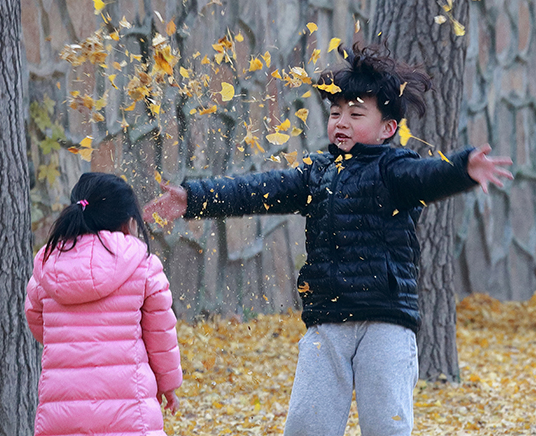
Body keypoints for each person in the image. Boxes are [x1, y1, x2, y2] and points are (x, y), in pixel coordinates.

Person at [143, 43, 513, 436]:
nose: (342, 122)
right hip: (327, 321)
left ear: (388, 128)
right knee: (307, 425)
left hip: (385, 319)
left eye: (356, 114)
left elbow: (428, 176)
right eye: (336, 113)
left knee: (386, 425)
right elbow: (258, 189)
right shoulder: (316, 173)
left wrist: (462, 169)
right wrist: (194, 198)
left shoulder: (395, 170)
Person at [25, 172, 182, 436]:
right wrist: (168, 385)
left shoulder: (49, 264)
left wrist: (70, 341)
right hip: (130, 412)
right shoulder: (142, 266)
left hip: (62, 411)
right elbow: (161, 336)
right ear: (127, 222)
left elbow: (37, 321)